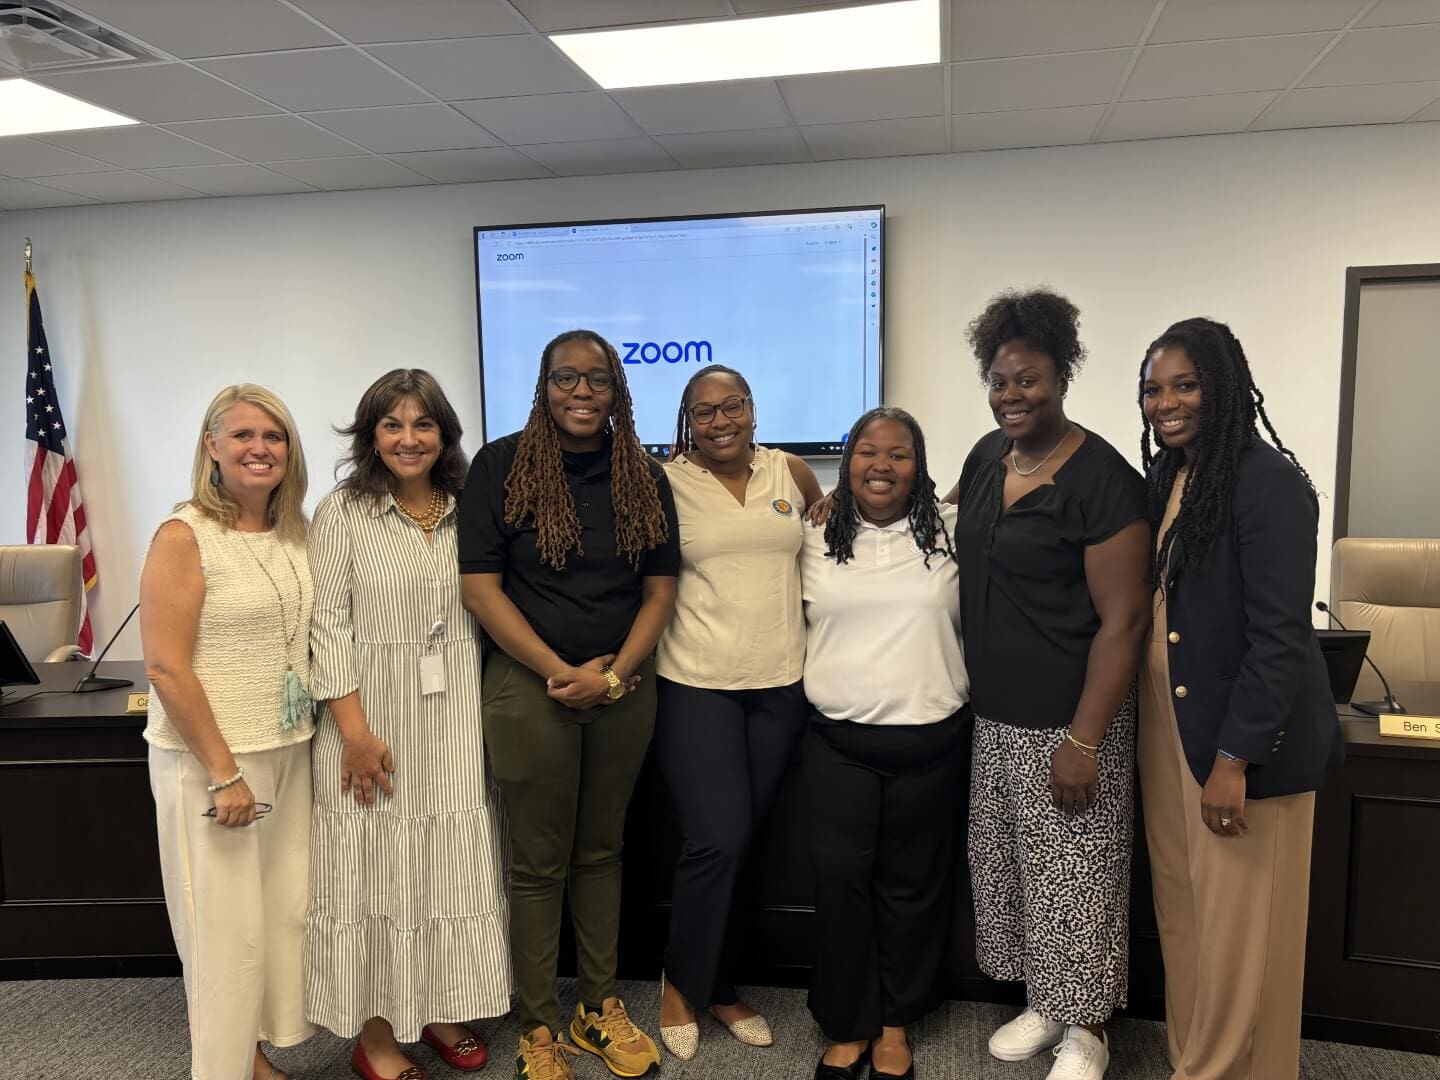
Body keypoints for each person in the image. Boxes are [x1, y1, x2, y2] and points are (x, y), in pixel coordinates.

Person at [457, 329, 679, 1080]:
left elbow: (660, 592)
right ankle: (537, 1025)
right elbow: (481, 590)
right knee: (536, 863)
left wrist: (612, 676)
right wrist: (562, 671)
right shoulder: (500, 466)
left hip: (622, 689)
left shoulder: (644, 476)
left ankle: (597, 1009)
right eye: (565, 379)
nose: (581, 393)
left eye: (596, 380)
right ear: (543, 386)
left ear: (618, 390)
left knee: (602, 851)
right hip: (530, 688)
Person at [949, 290, 1150, 1080]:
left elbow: (1126, 621)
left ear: (1062, 376)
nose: (1010, 396)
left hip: (1071, 719)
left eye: (1027, 380)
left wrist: (1085, 739)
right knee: (1014, 869)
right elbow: (949, 529)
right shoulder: (984, 457)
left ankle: (1090, 1028)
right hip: (993, 715)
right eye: (998, 381)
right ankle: (1045, 1000)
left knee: (1080, 876)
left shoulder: (1103, 480)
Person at [1136, 318, 1342, 1080]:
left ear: (1223, 386)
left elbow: (1280, 638)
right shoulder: (1171, 475)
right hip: (1170, 730)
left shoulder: (1268, 482)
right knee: (1185, 917)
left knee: (1240, 938)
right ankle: (1194, 1062)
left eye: (1185, 385)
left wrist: (1234, 759)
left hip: (1239, 744)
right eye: (1154, 388)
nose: (1165, 403)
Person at [306, 370, 510, 1080]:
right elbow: (326, 627)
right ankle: (376, 1031)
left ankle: (437, 1005)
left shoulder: (468, 507)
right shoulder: (343, 513)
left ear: (444, 435)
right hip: (368, 714)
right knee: (373, 870)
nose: (408, 438)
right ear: (370, 436)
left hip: (452, 712)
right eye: (392, 425)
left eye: (423, 424)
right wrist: (356, 734)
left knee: (444, 866)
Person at [140, 384, 315, 1080]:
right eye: (242, 435)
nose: (259, 449)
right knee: (221, 937)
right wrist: (223, 771)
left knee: (273, 927)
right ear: (211, 447)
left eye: (273, 436)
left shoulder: (294, 530)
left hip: (288, 750)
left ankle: (252, 1057)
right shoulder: (185, 535)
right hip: (214, 763)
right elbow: (165, 666)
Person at [652, 366, 822, 1061]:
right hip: (696, 683)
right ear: (687, 421)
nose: (720, 420)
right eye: (704, 412)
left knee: (746, 842)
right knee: (715, 838)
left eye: (733, 406)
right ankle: (678, 982)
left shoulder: (791, 472)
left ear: (753, 409)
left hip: (781, 684)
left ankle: (720, 984)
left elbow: (826, 530)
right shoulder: (666, 481)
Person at [803, 407, 969, 1080]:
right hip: (838, 740)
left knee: (913, 889)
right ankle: (848, 1024)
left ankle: (896, 1022)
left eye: (898, 454)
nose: (881, 464)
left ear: (919, 467)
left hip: (932, 739)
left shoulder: (956, 534)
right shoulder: (809, 538)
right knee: (842, 883)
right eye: (867, 451)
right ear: (845, 464)